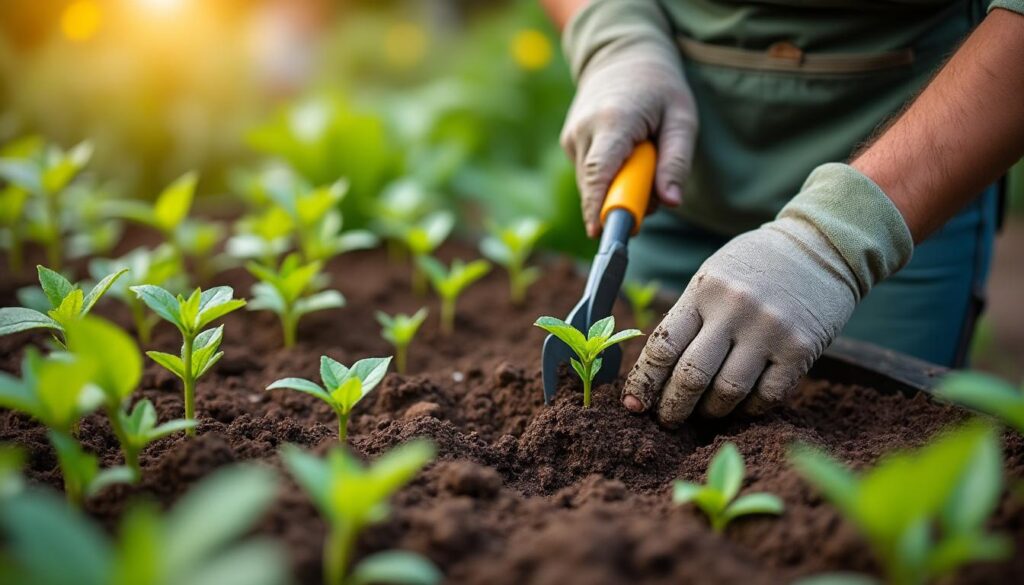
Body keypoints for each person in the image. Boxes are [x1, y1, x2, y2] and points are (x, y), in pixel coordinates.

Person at [541, 0, 1024, 426]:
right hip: (674, 170)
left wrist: (836, 240)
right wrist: (615, 36)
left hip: (911, 173)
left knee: (880, 449)